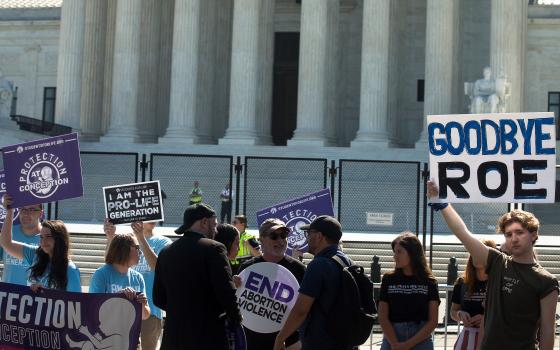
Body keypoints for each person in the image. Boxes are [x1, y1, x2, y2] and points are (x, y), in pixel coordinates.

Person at [427, 181, 559, 350]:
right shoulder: (497, 262)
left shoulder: (546, 281)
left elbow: (548, 330)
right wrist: (441, 203)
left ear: (533, 235)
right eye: (508, 234)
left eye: (520, 232)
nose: (514, 238)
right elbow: (464, 234)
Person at [153, 203, 241, 349]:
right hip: (207, 336)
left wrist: (180, 310)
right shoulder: (214, 248)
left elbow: (158, 298)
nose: (216, 231)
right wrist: (236, 318)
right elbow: (226, 291)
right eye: (215, 225)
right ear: (204, 222)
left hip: (174, 337)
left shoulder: (166, 252)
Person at [274, 215, 352, 350]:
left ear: (319, 236)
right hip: (344, 340)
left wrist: (281, 338)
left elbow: (301, 310)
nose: (307, 238)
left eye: (308, 233)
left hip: (321, 342)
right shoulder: (347, 262)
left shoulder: (318, 265)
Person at [236, 218, 306, 350]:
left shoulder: (299, 269)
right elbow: (238, 303)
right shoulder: (248, 268)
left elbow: (304, 308)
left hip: (289, 341)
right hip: (253, 340)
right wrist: (234, 286)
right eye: (274, 236)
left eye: (283, 236)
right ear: (261, 239)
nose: (280, 240)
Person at [103, 219, 172, 350]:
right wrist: (111, 237)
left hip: (151, 309)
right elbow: (110, 263)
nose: (152, 219)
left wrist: (140, 237)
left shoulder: (163, 242)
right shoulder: (128, 241)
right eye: (147, 216)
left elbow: (158, 267)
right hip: (123, 311)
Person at [1, 195, 81, 292]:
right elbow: (6, 244)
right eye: (41, 237)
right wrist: (10, 211)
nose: (43, 241)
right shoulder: (35, 254)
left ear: (60, 239)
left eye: (48, 237)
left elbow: (76, 304)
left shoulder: (70, 270)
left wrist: (47, 293)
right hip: (23, 305)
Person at [378, 232, 439, 350]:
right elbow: (382, 316)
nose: (395, 256)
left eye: (399, 252)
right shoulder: (388, 279)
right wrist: (395, 344)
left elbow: (433, 321)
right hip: (392, 338)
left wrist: (408, 345)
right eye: (394, 252)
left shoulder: (429, 282)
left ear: (412, 254)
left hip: (421, 340)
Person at [88, 233, 150, 322]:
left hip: (129, 334)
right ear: (123, 250)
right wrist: (117, 297)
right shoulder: (101, 274)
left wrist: (143, 305)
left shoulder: (138, 277)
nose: (140, 252)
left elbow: (145, 316)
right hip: (105, 334)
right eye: (136, 248)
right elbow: (92, 309)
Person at [451, 239, 496, 350]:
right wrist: (460, 314)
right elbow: (453, 312)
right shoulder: (462, 282)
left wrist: (486, 320)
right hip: (467, 338)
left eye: (481, 253)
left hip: (491, 338)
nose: (476, 256)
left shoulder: (499, 282)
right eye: (474, 252)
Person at [0, 197, 41, 285]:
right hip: (7, 295)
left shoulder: (48, 238)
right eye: (23, 209)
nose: (26, 213)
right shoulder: (7, 234)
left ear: (41, 214)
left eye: (32, 209)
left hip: (35, 297)